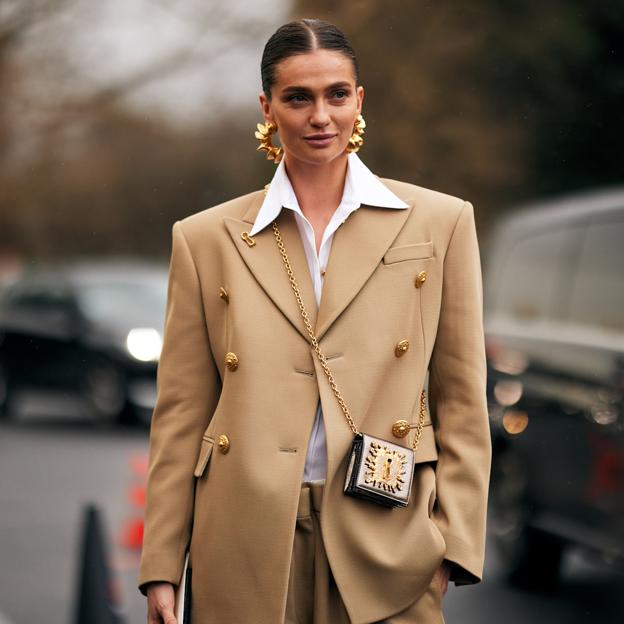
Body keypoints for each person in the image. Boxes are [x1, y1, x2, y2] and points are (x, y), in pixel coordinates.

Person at [139, 18, 491, 624]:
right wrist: (162, 566)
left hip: (390, 542)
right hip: (242, 545)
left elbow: (462, 398)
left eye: (336, 94)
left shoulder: (441, 222)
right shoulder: (204, 239)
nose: (320, 115)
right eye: (298, 97)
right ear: (268, 107)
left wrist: (451, 546)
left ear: (360, 99)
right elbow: (181, 414)